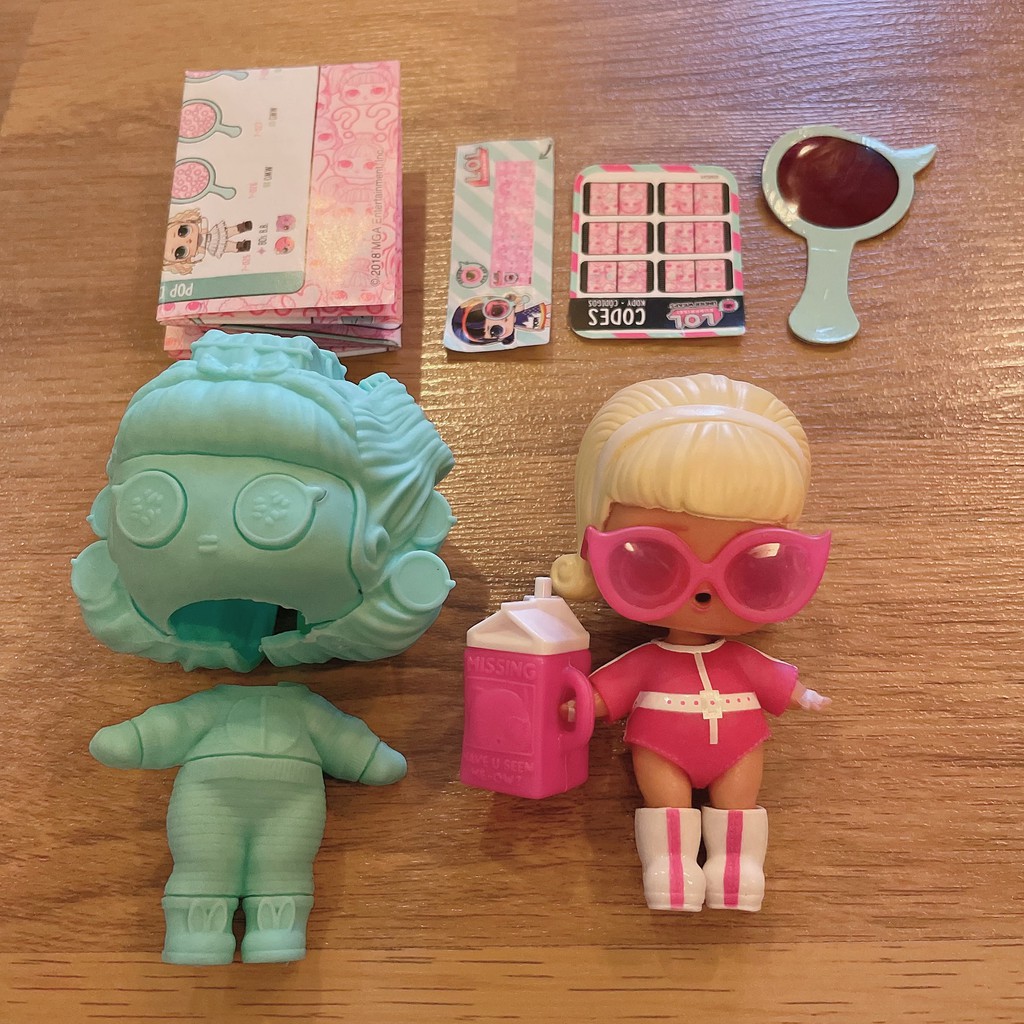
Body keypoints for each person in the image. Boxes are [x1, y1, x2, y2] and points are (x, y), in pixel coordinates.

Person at [551, 374, 831, 912]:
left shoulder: (739, 658)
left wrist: (806, 696)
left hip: (738, 747)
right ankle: (671, 870)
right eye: (654, 559)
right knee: (667, 805)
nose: (704, 591)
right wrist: (581, 704)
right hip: (662, 748)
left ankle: (737, 871)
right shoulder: (649, 660)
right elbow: (608, 691)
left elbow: (776, 681)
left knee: (738, 802)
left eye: (751, 563)